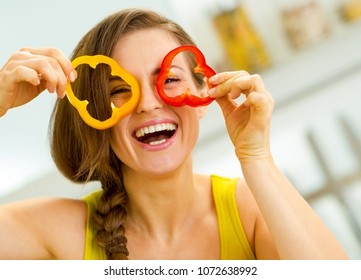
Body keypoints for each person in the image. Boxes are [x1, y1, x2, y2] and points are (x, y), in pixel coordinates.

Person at [0, 8, 348, 260]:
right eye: (119, 89)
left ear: (204, 96)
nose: (148, 104)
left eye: (169, 80)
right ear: (96, 116)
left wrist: (256, 156)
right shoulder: (61, 231)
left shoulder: (250, 211)